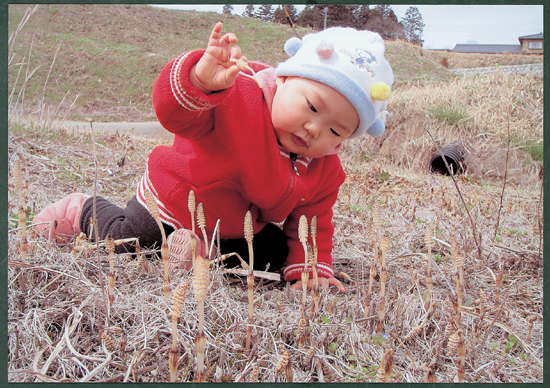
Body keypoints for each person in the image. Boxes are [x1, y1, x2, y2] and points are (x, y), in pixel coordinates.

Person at [33, 22, 394, 292]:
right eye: (312, 106)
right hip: (174, 204)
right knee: (131, 240)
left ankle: (198, 252)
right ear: (283, 81)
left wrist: (309, 267)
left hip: (235, 230)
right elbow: (174, 114)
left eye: (335, 131)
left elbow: (312, 218)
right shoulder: (239, 96)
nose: (315, 129)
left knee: (273, 261)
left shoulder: (323, 169)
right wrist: (202, 83)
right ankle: (81, 211)